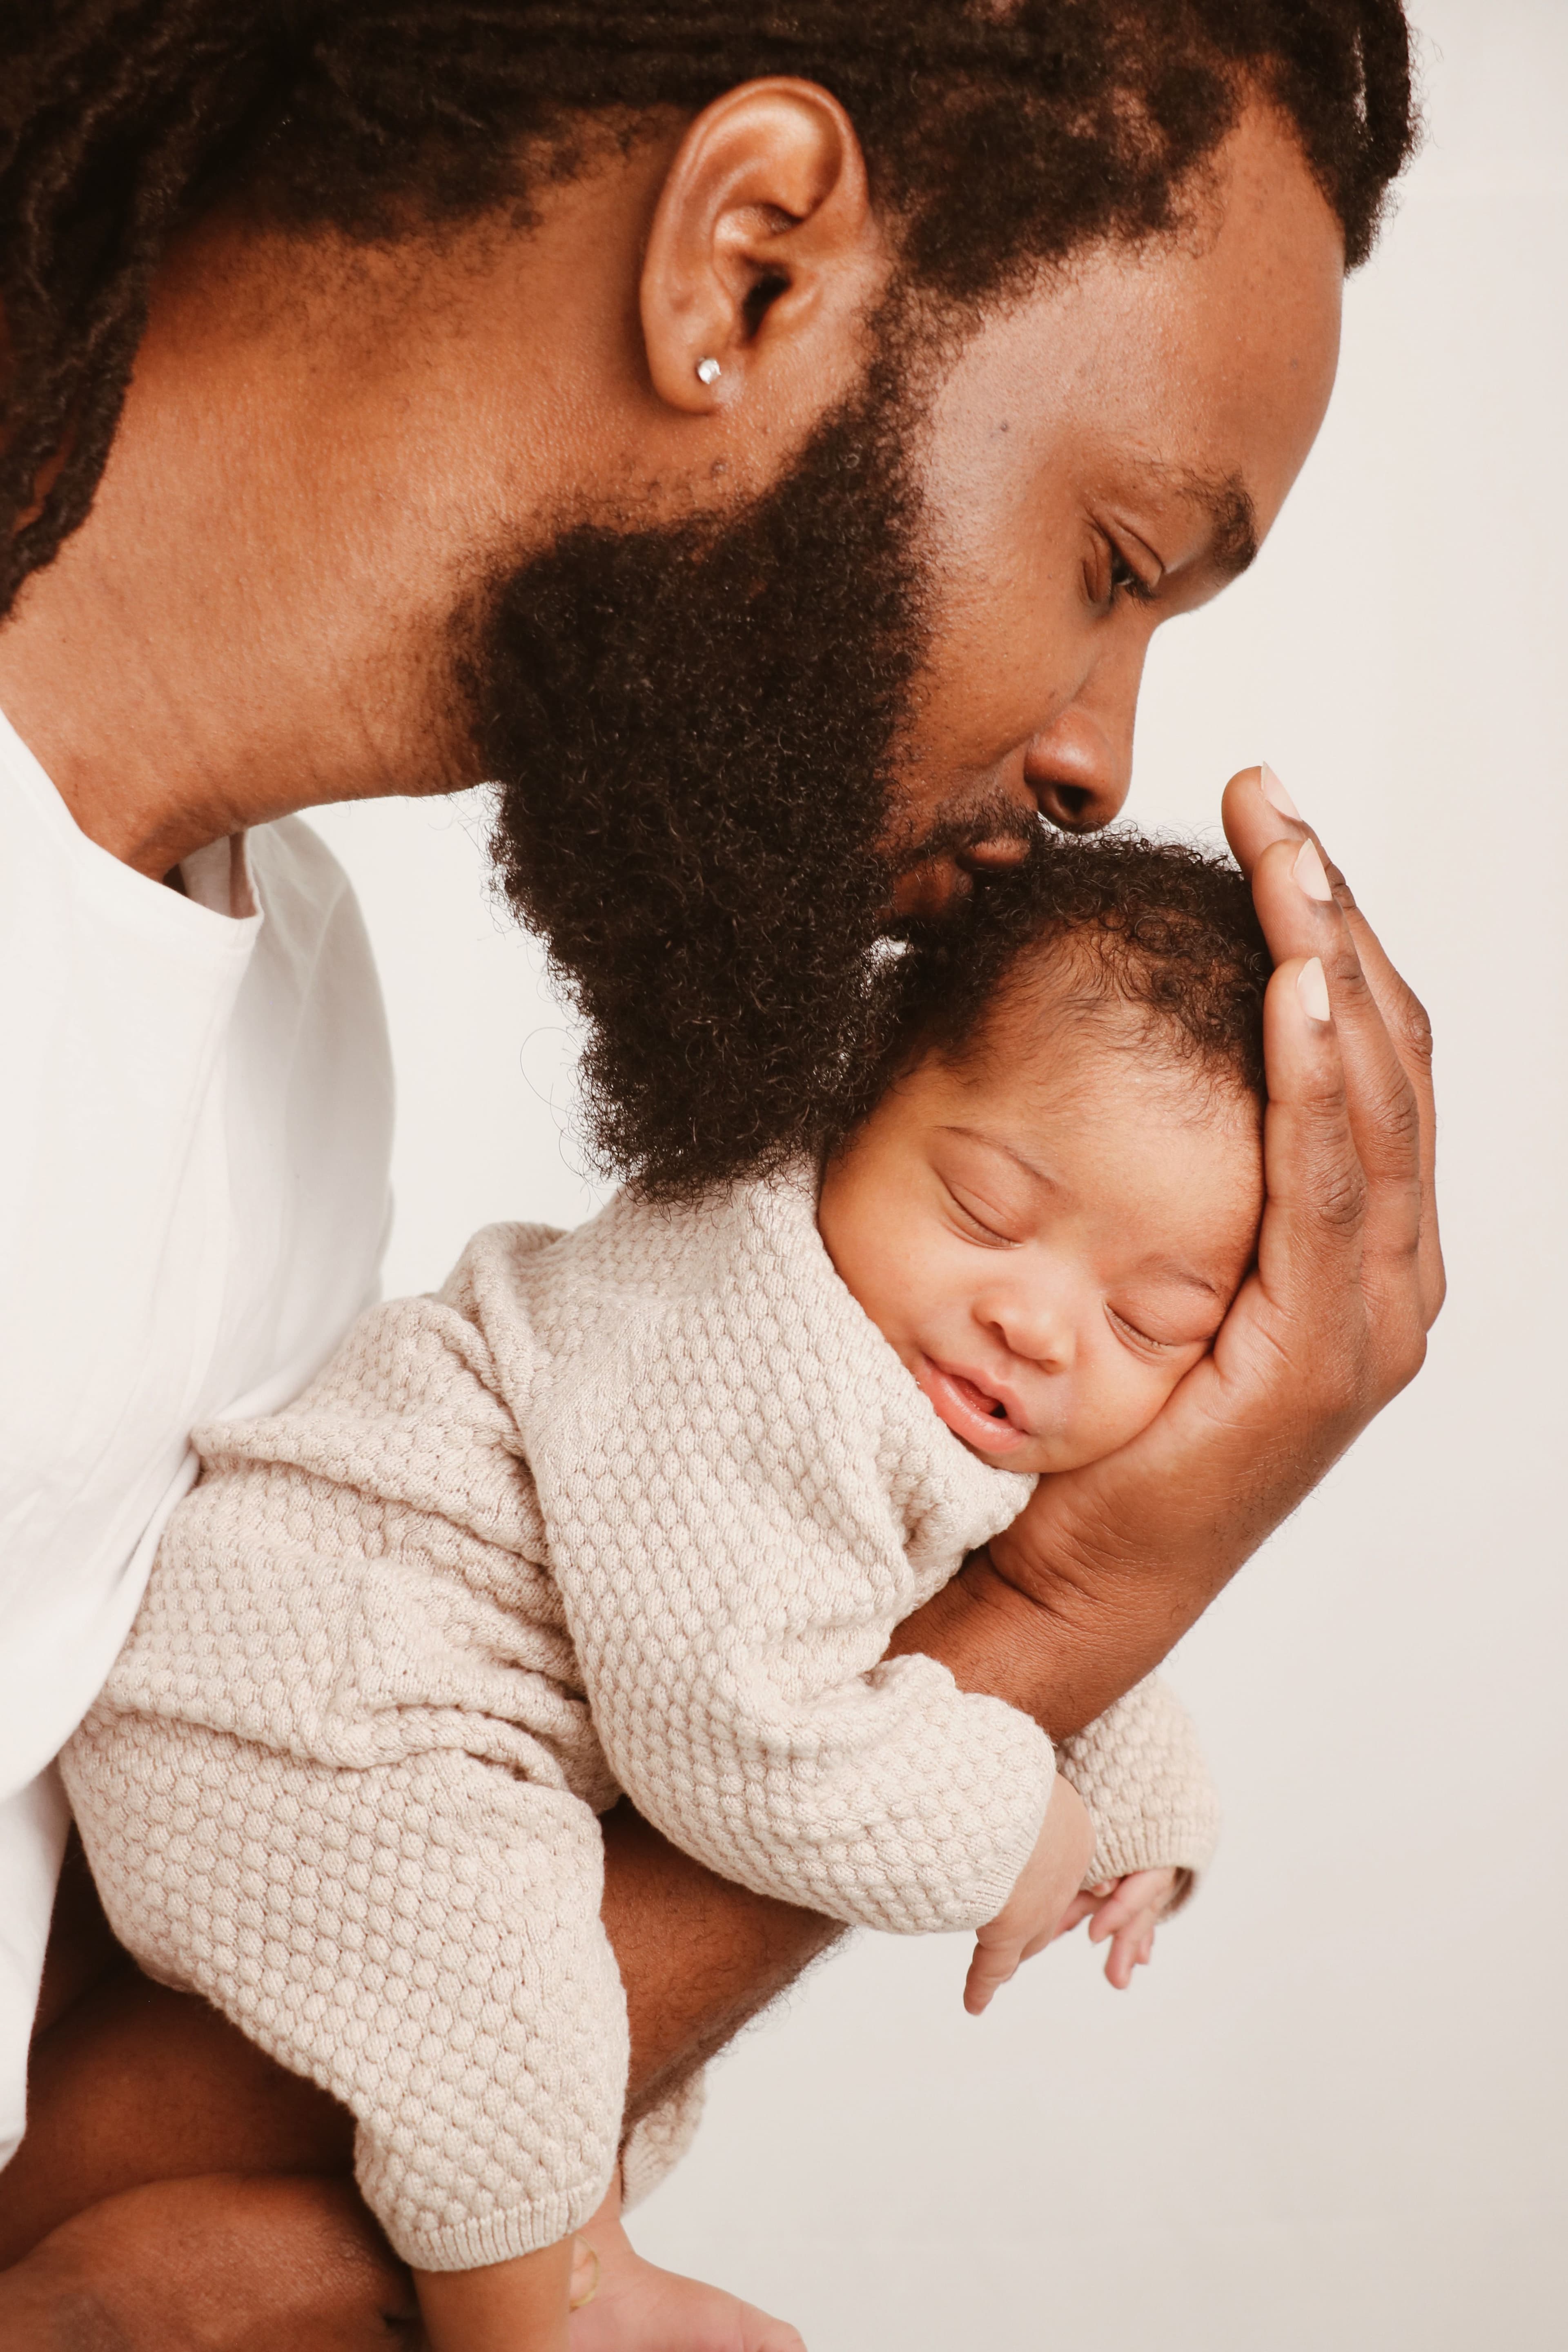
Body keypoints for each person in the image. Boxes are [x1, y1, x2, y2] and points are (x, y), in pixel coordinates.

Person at [0, 6, 1441, 2345]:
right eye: (1113, 562)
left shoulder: (286, 1028)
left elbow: (113, 2160)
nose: (1103, 760)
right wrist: (1077, 1608)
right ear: (748, 262)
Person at [62, 830, 1253, 2349]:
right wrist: (1013, 1831)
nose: (1036, 1322)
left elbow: (975, 1589)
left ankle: (545, 2263)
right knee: (510, 2053)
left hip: (442, 1744)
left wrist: (1143, 1801)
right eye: (985, 1214)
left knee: (578, 2041)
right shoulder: (750, 1313)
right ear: (856, 1105)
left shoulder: (932, 1364)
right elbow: (738, 1731)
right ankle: (538, 2328)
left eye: (1149, 1323)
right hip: (314, 1697)